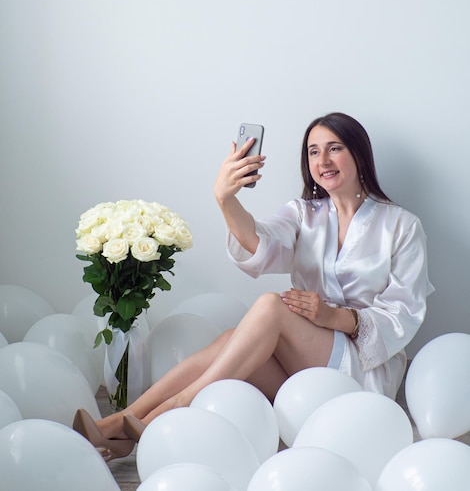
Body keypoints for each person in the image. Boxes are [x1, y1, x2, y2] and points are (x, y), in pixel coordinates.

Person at [73, 111, 434, 460]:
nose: (322, 159)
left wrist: (335, 317)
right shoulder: (304, 214)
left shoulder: (401, 225)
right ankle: (118, 423)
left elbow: (405, 312)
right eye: (313, 151)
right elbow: (259, 243)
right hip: (303, 370)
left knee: (270, 306)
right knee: (230, 340)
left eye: (334, 147)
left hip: (361, 371)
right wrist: (226, 199)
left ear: (359, 153)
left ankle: (175, 406)